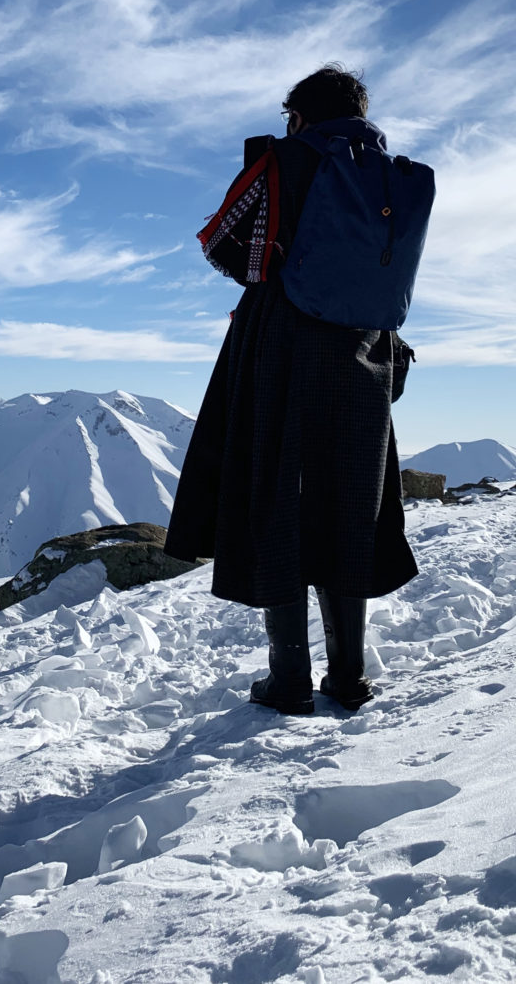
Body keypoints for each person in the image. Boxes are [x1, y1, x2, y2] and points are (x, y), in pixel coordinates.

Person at [164, 66, 419, 716]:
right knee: (347, 506)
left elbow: (228, 248)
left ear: (300, 116)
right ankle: (349, 676)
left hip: (283, 348)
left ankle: (288, 680)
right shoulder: (391, 177)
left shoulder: (289, 160)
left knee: (278, 498)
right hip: (368, 354)